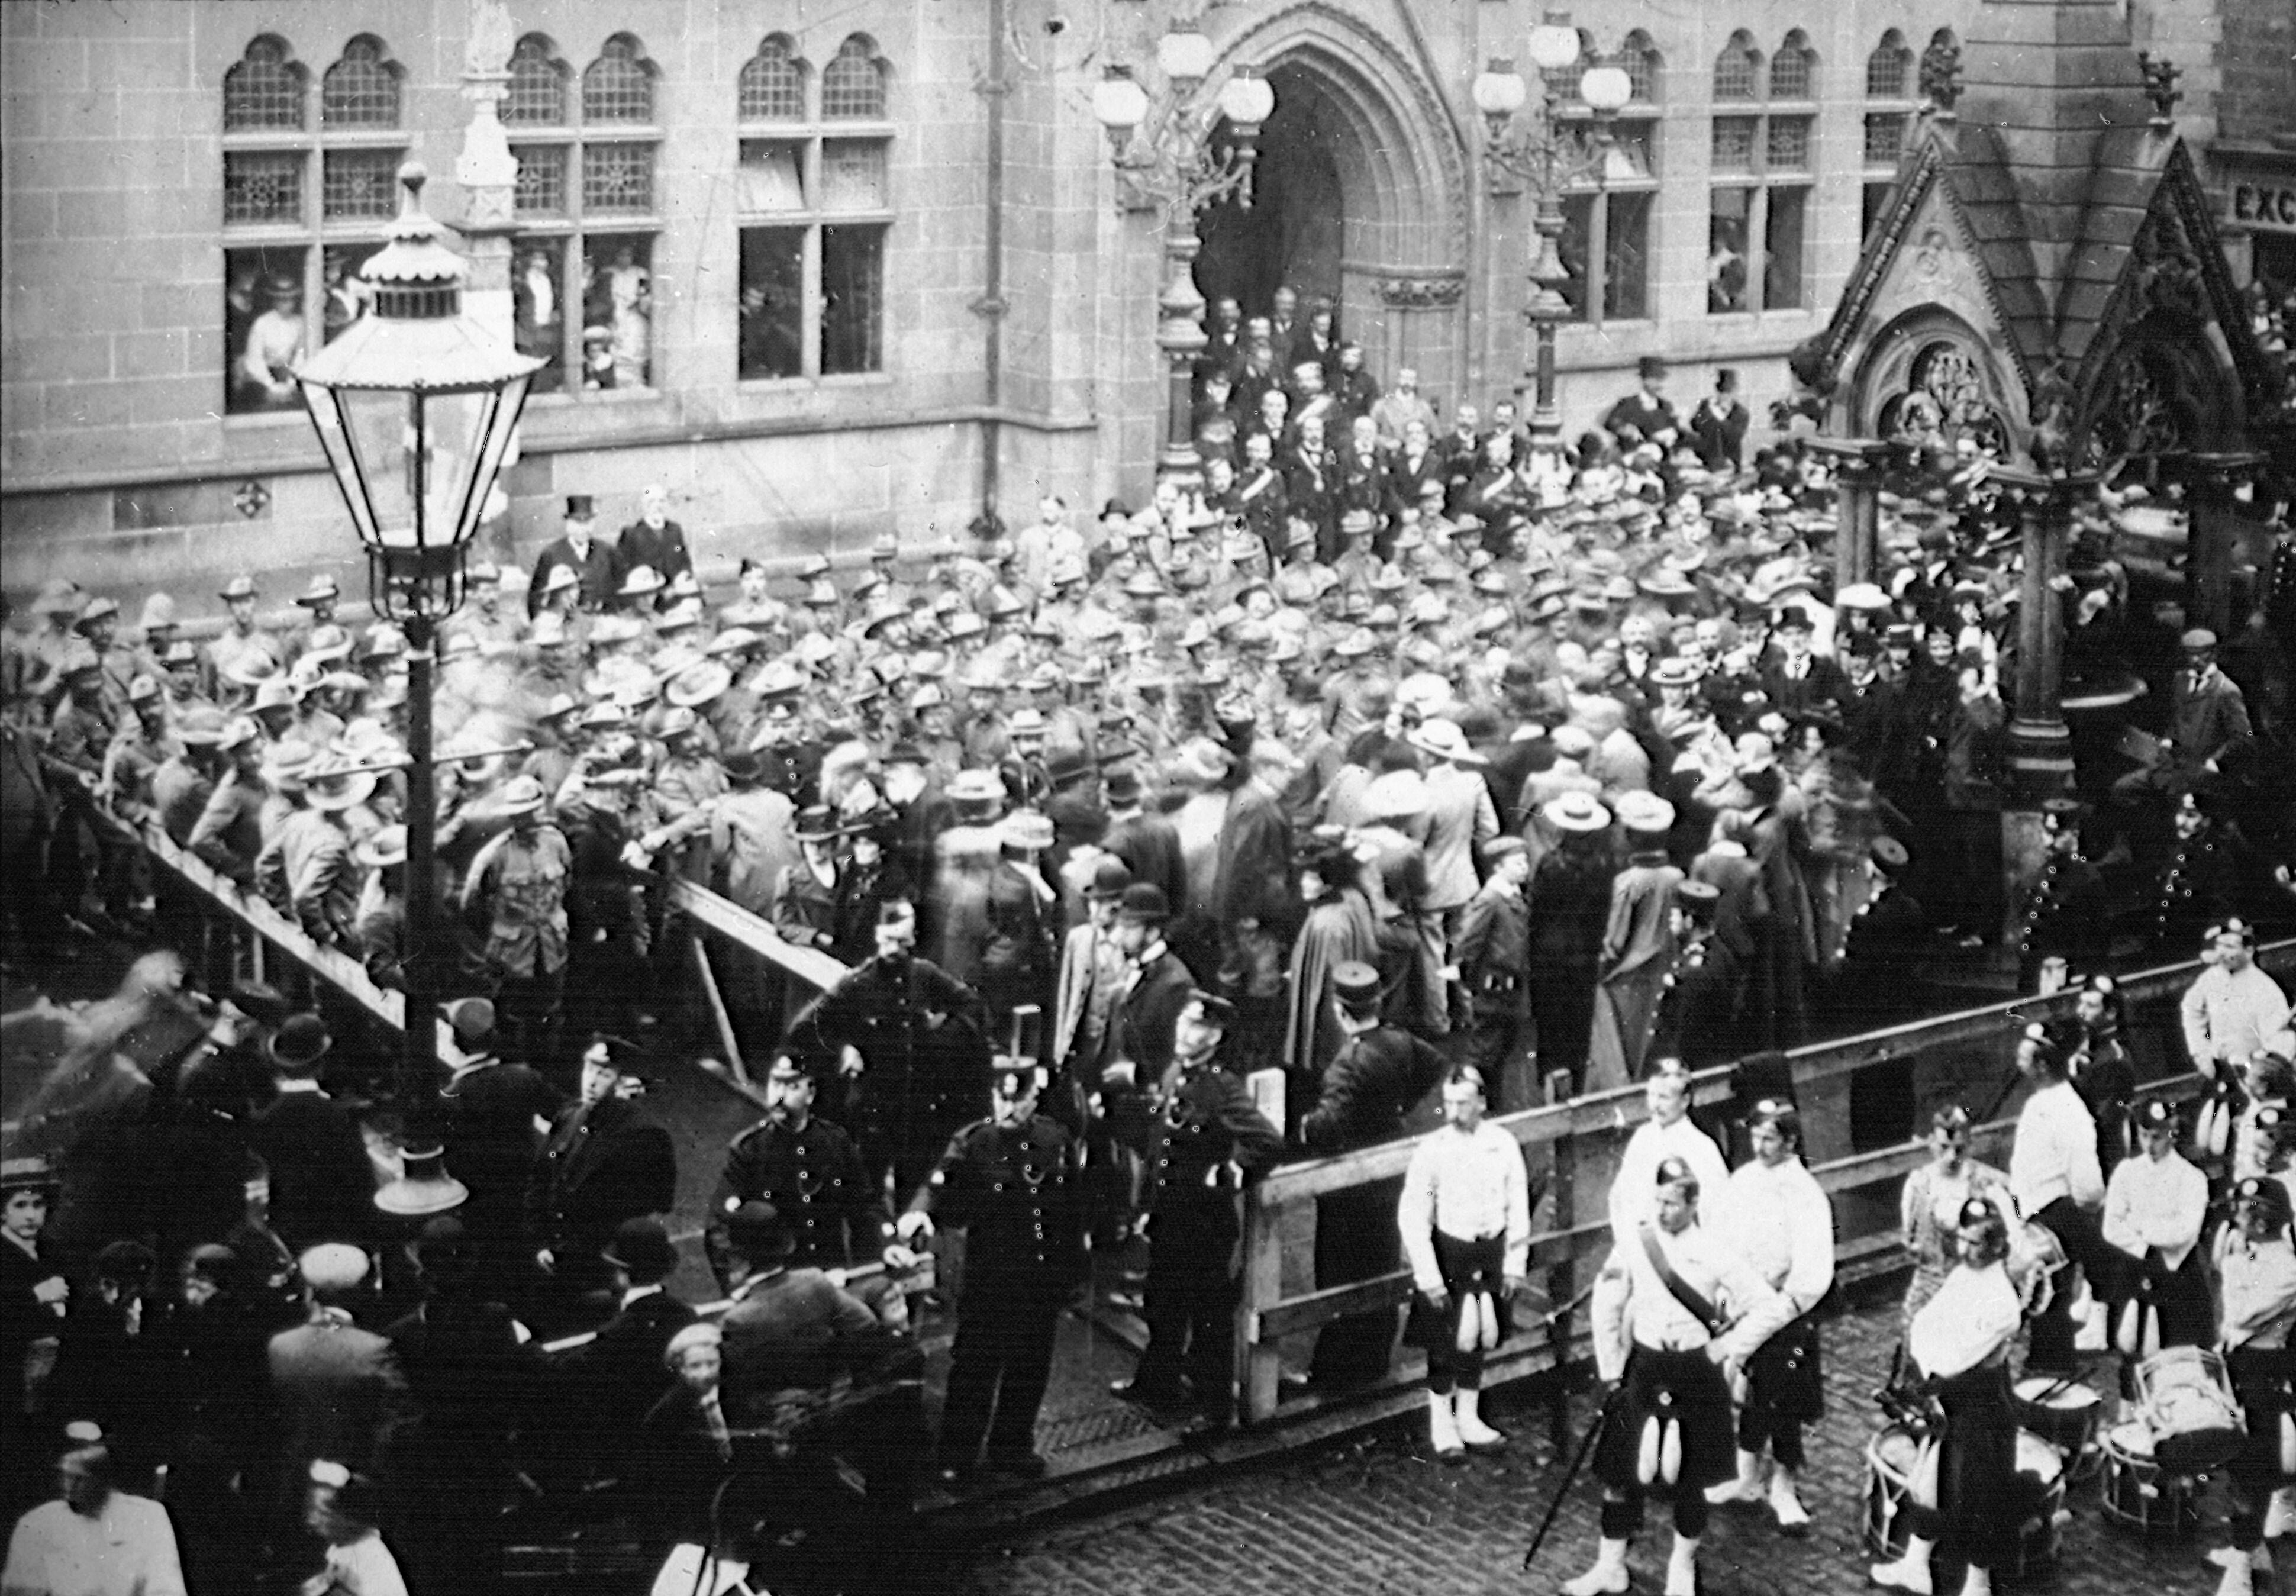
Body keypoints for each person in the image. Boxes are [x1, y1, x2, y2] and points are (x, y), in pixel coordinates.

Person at [1568, 1157, 1791, 1596]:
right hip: (1646, 1367)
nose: (1663, 1210)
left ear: (1693, 1203)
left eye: (1672, 1203)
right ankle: (1610, 1565)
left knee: (1693, 1481)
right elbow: (1607, 1302)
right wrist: (1612, 1367)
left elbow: (1770, 1305)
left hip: (1695, 1371)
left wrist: (1728, 1347)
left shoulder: (1713, 1250)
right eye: (1659, 1201)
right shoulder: (1637, 1240)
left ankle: (1682, 1568)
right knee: (1619, 1473)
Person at [898, 1050, 1083, 1485]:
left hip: (1041, 1277)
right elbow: (940, 1181)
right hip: (991, 1278)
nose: (1006, 1108)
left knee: (1030, 1365)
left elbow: (1072, 1209)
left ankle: (1012, 1446)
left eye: (1016, 1100)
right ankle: (957, 1455)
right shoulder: (975, 1140)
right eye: (1000, 1099)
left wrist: (1074, 1272)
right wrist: (920, 1212)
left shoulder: (1056, 1139)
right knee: (975, 1368)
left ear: (1033, 1098)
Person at [1110, 992, 1283, 1433]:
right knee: (1162, 1303)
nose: (1186, 1034)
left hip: (1205, 1222)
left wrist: (1229, 1174)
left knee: (1209, 1316)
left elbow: (1267, 1141)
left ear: (1217, 1036)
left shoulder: (1222, 1087)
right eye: (1184, 1023)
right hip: (1170, 1213)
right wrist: (1147, 1205)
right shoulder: (1174, 1073)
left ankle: (1214, 1409)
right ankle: (1157, 1385)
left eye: (1199, 1028)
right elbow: (1158, 1147)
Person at [1871, 1199, 2045, 1596]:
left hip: (1983, 1408)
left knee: (1979, 1497)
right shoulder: (1963, 1276)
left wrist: (1932, 1356)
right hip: (1949, 1400)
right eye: (1964, 1240)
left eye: (1978, 1243)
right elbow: (1925, 1322)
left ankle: (1977, 1584)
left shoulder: (2003, 1302)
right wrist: (1929, 1353)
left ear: (1998, 1246)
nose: (1967, 1251)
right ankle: (1916, 1567)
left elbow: (1955, 1356)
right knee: (1929, 1482)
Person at [1299, 962, 1447, 1392]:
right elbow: (1435, 1064)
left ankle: (1332, 1373)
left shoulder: (1348, 1063)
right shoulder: (1400, 1041)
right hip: (1389, 1170)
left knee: (1339, 1274)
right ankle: (1373, 1363)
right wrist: (1398, 1108)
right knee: (1381, 1261)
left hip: (1350, 1184)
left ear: (1340, 1010)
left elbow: (1326, 1126)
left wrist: (1305, 1126)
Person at [1704, 1100, 1835, 1535]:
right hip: (1743, 1301)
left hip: (1786, 1312)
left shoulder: (1806, 1194)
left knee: (1783, 1398)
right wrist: (1729, 1296)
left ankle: (1784, 1486)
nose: (1760, 1147)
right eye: (1756, 1137)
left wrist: (1765, 1317)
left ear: (1791, 1141)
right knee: (1750, 1396)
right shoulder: (1743, 1181)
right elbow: (1721, 1243)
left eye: (1770, 1139)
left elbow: (1808, 1277)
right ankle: (1745, 1476)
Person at [1398, 1065, 1530, 1460]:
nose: (1455, 1112)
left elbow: (1519, 1204)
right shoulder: (1433, 1148)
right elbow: (1413, 1214)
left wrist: (1515, 1264)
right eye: (1449, 1103)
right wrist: (1430, 1277)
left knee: (1479, 1335)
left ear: (1482, 1103)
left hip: (1489, 1250)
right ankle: (1443, 1423)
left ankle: (1469, 1416)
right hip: (1449, 1252)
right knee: (1443, 1340)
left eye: (1464, 1103)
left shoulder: (1504, 1144)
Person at [527, 1039, 678, 1316]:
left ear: (624, 1083)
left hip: (603, 1273)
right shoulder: (570, 1116)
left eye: (604, 1074)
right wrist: (542, 1244)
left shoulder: (644, 1137)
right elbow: (541, 1181)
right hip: (554, 1260)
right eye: (590, 1068)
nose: (592, 1082)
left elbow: (647, 1214)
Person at [707, 1055, 886, 1287]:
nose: (779, 1096)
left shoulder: (835, 1141)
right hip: (777, 1283)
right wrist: (740, 1283)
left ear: (810, 1093)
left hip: (832, 1276)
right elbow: (720, 1225)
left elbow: (866, 1204)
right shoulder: (749, 1149)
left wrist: (888, 1244)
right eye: (775, 1083)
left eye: (791, 1086)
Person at [2006, 1023, 2113, 1373]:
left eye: (2025, 1055)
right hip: (2036, 1213)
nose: (2017, 1059)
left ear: (2041, 1066)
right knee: (2040, 1298)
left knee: (2053, 1297)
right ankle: (2044, 1367)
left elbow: (2088, 1185)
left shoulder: (2070, 1111)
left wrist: (2073, 1219)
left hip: (2057, 1214)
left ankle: (2054, 1373)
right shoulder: (2040, 1102)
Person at [2210, 1176, 2296, 1596]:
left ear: (2264, 1219)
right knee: (2236, 1455)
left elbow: (2242, 1313)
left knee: (2254, 1462)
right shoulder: (2250, 1251)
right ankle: (2251, 1546)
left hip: (2263, 1366)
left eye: (2248, 1211)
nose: (2239, 1219)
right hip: (2239, 1360)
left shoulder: (2286, 1268)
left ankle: (2243, 1565)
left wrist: (2236, 1265)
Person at [1, 1423, 185, 1596]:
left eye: (79, 1479)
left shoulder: (148, 1517)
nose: (68, 1487)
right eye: (64, 1475)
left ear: (102, 1479)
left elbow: (166, 1589)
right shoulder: (37, 1524)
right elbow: (20, 1590)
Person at [2101, 1097, 2211, 1352]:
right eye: (2144, 1135)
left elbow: (2184, 1232)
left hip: (2179, 1271)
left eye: (2157, 1137)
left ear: (2172, 1135)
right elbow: (2112, 1226)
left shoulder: (2192, 1178)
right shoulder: (2126, 1172)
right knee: (2132, 1341)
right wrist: (2145, 1248)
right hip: (2135, 1265)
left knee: (2181, 1345)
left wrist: (2140, 1225)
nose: (2149, 1145)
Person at [1899, 1104, 2012, 1324]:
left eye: (1959, 1149)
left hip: (1972, 1287)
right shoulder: (1919, 1184)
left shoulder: (1984, 1182)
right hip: (1930, 1286)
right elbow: (1911, 1242)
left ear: (1970, 1145)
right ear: (1931, 1141)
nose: (1951, 1157)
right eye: (1944, 1147)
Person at [2182, 918, 2292, 1079]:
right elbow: (2191, 1009)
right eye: (2219, 946)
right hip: (2219, 1070)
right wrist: (2201, 1053)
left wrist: (2260, 1071)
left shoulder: (2265, 989)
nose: (2222, 953)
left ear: (2248, 951)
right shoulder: (2211, 978)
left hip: (2252, 1075)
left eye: (2230, 947)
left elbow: (2280, 1041)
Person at [302, 1459, 408, 1596]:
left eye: (322, 1513)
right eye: (310, 1511)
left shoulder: (370, 1554)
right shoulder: (338, 1551)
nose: (312, 1520)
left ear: (343, 1515)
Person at [1688, 369, 1749, 471]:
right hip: (1707, 460)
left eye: (1729, 392)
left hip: (1730, 462)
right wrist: (1708, 411)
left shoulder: (1740, 412)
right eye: (1722, 391)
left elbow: (1734, 436)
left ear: (1735, 392)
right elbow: (1696, 425)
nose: (1725, 396)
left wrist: (1720, 416)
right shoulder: (1707, 406)